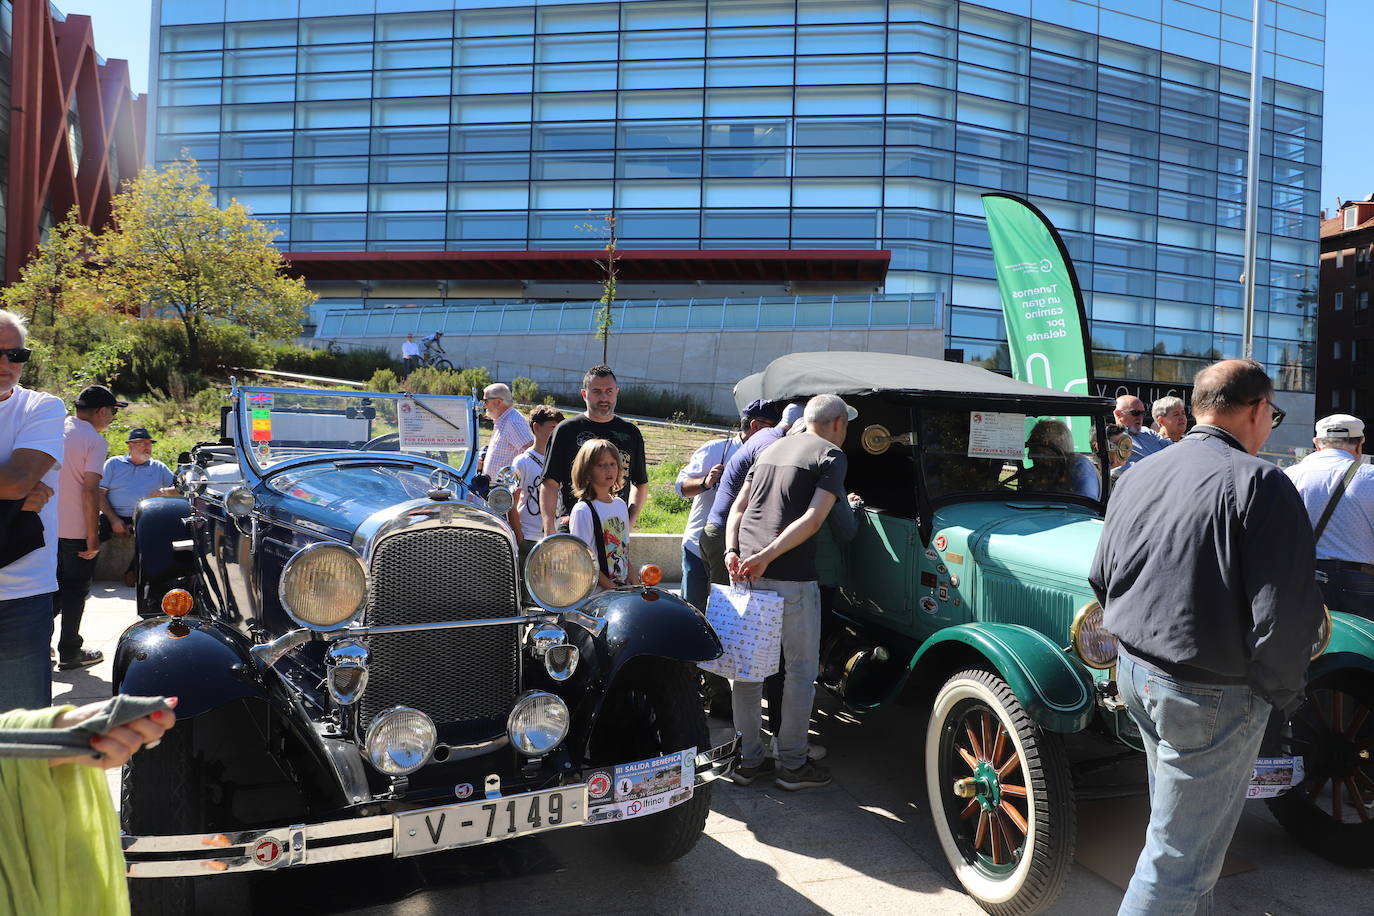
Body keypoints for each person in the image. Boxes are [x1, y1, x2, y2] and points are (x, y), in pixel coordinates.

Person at [1089, 358, 1324, 915]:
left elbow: (1101, 575)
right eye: (1272, 413)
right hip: (1212, 691)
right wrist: (1281, 694)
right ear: (1257, 410)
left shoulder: (1141, 471)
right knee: (1178, 863)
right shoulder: (1260, 480)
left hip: (1139, 671)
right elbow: (1285, 616)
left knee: (1183, 849)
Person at [725, 394, 861, 792]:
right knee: (801, 672)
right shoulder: (831, 456)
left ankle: (749, 761)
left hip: (744, 572)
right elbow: (814, 518)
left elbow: (737, 507)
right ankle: (793, 765)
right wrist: (766, 556)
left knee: (747, 674)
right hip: (791, 577)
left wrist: (736, 552)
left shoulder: (769, 448)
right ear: (837, 423)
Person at [0, 309, 65, 711]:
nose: (6, 365)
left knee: (21, 738)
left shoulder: (40, 407)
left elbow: (18, 481)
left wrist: (15, 490)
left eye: (16, 355)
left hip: (19, 593)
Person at [676, 399, 781, 612]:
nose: (777, 434)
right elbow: (680, 488)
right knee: (691, 612)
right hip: (698, 545)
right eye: (773, 427)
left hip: (738, 554)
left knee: (725, 615)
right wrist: (705, 482)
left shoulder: (773, 455)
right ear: (755, 426)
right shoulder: (715, 449)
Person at [54, 385, 124, 671]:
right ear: (101, 411)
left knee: (49, 590)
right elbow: (89, 489)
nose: (111, 418)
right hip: (73, 530)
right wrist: (92, 536)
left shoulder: (55, 429)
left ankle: (34, 644)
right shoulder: (94, 441)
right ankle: (70, 651)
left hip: (43, 527)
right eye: (112, 412)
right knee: (74, 590)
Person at [700, 402, 803, 589]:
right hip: (725, 534)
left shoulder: (765, 435)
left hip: (716, 530)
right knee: (728, 611)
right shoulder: (772, 444)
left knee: (721, 605)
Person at [1284, 413, 1374, 617]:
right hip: (1361, 581)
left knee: (1307, 646)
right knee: (1360, 645)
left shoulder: (1290, 476)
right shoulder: (1370, 477)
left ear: (1317, 443)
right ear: (1360, 444)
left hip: (1304, 577)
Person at [540, 365, 648, 535]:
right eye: (597, 391)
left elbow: (640, 483)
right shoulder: (565, 430)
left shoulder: (630, 433)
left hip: (614, 530)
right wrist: (549, 529)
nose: (604, 397)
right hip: (573, 527)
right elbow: (550, 483)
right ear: (584, 394)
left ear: (617, 392)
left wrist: (628, 523)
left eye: (609, 391)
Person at [99, 427, 176, 588]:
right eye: (142, 443)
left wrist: (164, 492)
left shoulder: (158, 467)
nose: (147, 447)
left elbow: (180, 487)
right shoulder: (113, 464)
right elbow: (99, 494)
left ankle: (133, 571)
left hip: (145, 515)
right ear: (130, 446)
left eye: (149, 443)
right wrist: (114, 520)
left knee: (155, 532)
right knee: (93, 529)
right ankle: (79, 573)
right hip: (112, 514)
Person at [568, 439, 640, 591]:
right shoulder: (583, 510)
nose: (609, 470)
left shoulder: (620, 504)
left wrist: (635, 585)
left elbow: (623, 551)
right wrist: (612, 588)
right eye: (601, 465)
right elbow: (584, 561)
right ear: (586, 470)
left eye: (613, 464)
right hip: (596, 596)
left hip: (620, 591)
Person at [510, 405, 564, 564]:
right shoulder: (522, 462)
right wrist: (520, 538)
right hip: (529, 536)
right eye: (553, 427)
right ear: (536, 428)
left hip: (555, 535)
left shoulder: (560, 461)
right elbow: (512, 503)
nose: (557, 432)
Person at [1024, 418, 1099, 499]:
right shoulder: (1048, 471)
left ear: (1051, 447)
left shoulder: (1080, 467)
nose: (1029, 455)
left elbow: (1084, 507)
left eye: (1036, 449)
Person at [479, 383, 534, 478]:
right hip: (498, 489)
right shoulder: (504, 419)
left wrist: (517, 486)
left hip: (506, 489)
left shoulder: (513, 422)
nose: (484, 405)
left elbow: (531, 454)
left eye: (486, 401)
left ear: (498, 402)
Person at [1114, 394, 1171, 467]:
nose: (1140, 417)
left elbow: (1172, 448)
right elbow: (1117, 469)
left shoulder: (1148, 432)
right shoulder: (1113, 438)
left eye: (1143, 413)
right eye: (1135, 413)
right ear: (1118, 414)